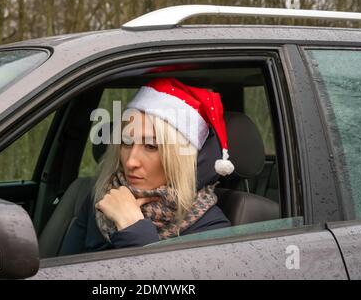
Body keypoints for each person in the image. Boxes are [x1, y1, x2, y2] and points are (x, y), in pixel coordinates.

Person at [59, 77, 234, 256]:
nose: (130, 162)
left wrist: (132, 228)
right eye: (126, 143)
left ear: (181, 159)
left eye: (151, 146)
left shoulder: (211, 227)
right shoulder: (101, 197)